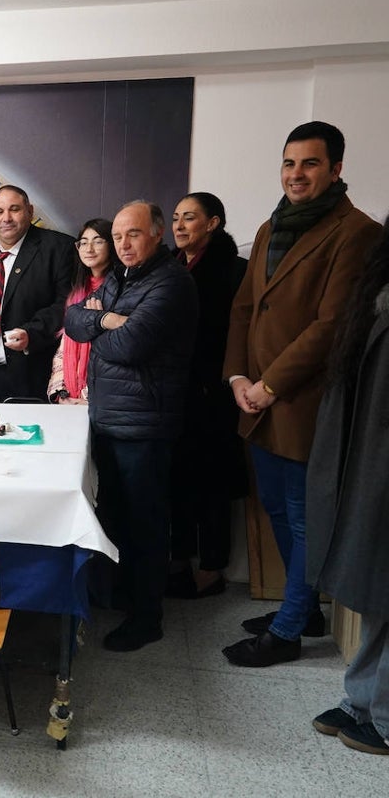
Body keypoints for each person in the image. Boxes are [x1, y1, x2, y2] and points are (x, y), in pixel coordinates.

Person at [222, 121, 380, 667]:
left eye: (310, 164)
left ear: (335, 169)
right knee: (273, 507)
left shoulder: (355, 231)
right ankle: (303, 606)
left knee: (301, 514)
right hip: (257, 399)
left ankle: (289, 629)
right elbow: (246, 306)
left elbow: (333, 324)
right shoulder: (271, 226)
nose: (296, 174)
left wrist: (270, 384)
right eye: (289, 163)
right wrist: (239, 377)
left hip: (302, 400)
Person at [64, 200, 197, 651]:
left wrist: (101, 330)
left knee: (145, 524)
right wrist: (103, 318)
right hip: (109, 420)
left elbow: (132, 345)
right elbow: (74, 320)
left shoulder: (172, 282)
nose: (123, 243)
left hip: (144, 424)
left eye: (133, 234)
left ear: (157, 234)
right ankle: (121, 595)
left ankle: (147, 616)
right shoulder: (121, 277)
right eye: (117, 235)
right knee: (116, 515)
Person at [306, 216, 389, 755]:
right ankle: (362, 700)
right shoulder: (377, 290)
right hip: (369, 458)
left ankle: (384, 718)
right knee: (378, 591)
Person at [165, 193, 248, 599]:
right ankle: (178, 558)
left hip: (213, 393)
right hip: (171, 393)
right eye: (176, 218)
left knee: (212, 482)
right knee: (175, 480)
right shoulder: (165, 268)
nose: (179, 226)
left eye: (190, 218)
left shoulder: (234, 271)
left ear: (213, 223)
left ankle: (212, 568)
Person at [0, 185, 75, 403]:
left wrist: (32, 333)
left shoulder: (58, 248)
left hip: (29, 376)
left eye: (15, 209)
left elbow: (66, 305)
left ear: (30, 211)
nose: (6, 218)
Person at [47, 218, 116, 403]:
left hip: (100, 401)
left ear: (112, 244)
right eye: (83, 243)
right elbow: (63, 349)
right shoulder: (77, 292)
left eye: (98, 241)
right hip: (70, 398)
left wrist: (87, 398)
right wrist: (61, 394)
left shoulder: (120, 292)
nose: (89, 249)